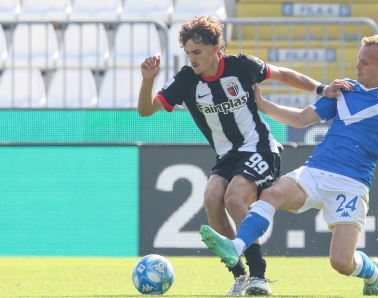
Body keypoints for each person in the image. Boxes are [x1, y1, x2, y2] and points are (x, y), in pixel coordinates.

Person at [199, 34, 378, 296]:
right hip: (316, 171)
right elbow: (301, 119)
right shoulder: (344, 90)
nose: (358, 66)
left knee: (341, 263)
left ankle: (371, 270)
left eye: (365, 63)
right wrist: (261, 104)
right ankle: (237, 248)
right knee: (271, 194)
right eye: (358, 60)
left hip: (352, 184)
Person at [138, 15, 352, 296]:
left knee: (233, 198)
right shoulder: (186, 80)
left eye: (197, 52)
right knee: (212, 199)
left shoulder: (241, 65)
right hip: (227, 157)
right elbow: (146, 110)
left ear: (216, 48)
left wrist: (321, 89)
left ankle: (259, 277)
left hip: (261, 148)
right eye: (188, 53)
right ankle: (240, 276)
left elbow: (284, 75)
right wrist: (147, 81)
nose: (192, 59)